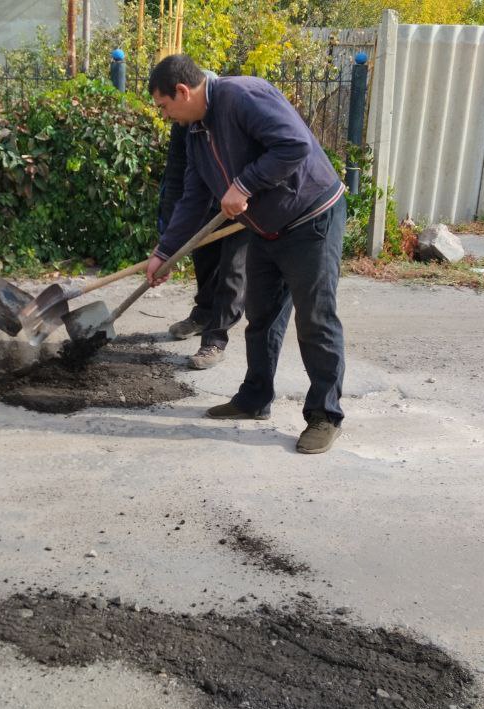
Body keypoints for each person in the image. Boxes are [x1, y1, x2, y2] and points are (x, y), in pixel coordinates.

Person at [145, 54, 347, 454]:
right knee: (261, 317)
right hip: (265, 229)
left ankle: (324, 415)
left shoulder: (243, 95)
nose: (165, 115)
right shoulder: (196, 132)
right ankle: (254, 398)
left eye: (165, 106)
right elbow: (194, 195)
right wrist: (165, 251)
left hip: (312, 219)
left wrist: (244, 184)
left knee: (315, 320)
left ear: (183, 91)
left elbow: (294, 144)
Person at [159, 116, 250, 371]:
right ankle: (203, 314)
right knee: (204, 260)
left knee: (232, 271)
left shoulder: (232, 118)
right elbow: (176, 172)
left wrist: (246, 191)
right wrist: (169, 239)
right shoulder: (183, 123)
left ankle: (215, 341)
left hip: (243, 205)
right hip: (206, 203)